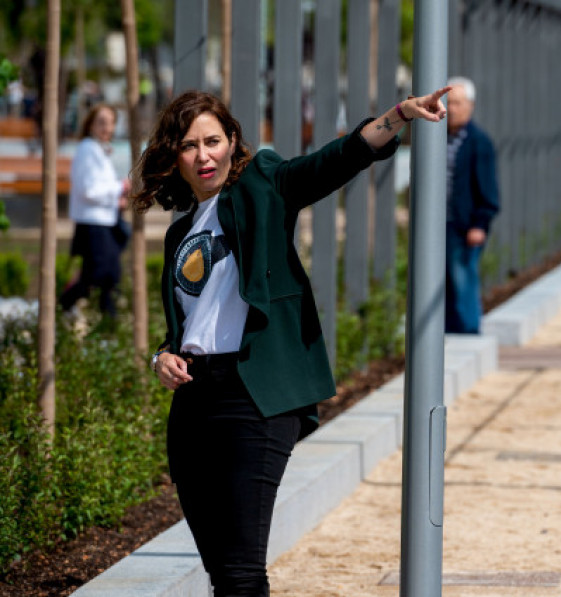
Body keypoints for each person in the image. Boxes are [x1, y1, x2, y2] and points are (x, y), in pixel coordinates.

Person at [132, 87, 449, 597]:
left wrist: (398, 116)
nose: (203, 155)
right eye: (189, 146)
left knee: (240, 572)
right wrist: (162, 356)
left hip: (251, 395)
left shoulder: (263, 183)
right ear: (176, 156)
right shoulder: (180, 232)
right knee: (221, 572)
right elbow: (187, 325)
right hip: (193, 404)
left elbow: (334, 161)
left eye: (212, 141)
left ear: (233, 141)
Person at [60, 104, 131, 319]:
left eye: (111, 122)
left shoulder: (99, 149)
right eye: (102, 122)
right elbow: (89, 189)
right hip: (94, 223)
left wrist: (116, 199)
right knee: (101, 275)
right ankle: (66, 305)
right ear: (91, 124)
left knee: (105, 276)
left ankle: (104, 320)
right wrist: (120, 187)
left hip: (103, 221)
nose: (107, 127)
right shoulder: (88, 149)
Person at [444, 76, 500, 334]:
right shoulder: (439, 139)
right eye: (448, 102)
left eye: (457, 102)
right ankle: (447, 332)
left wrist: (480, 223)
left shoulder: (479, 142)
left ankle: (467, 332)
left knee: (462, 279)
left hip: (465, 226)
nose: (451, 108)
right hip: (441, 224)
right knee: (442, 281)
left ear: (470, 105)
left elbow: (488, 189)